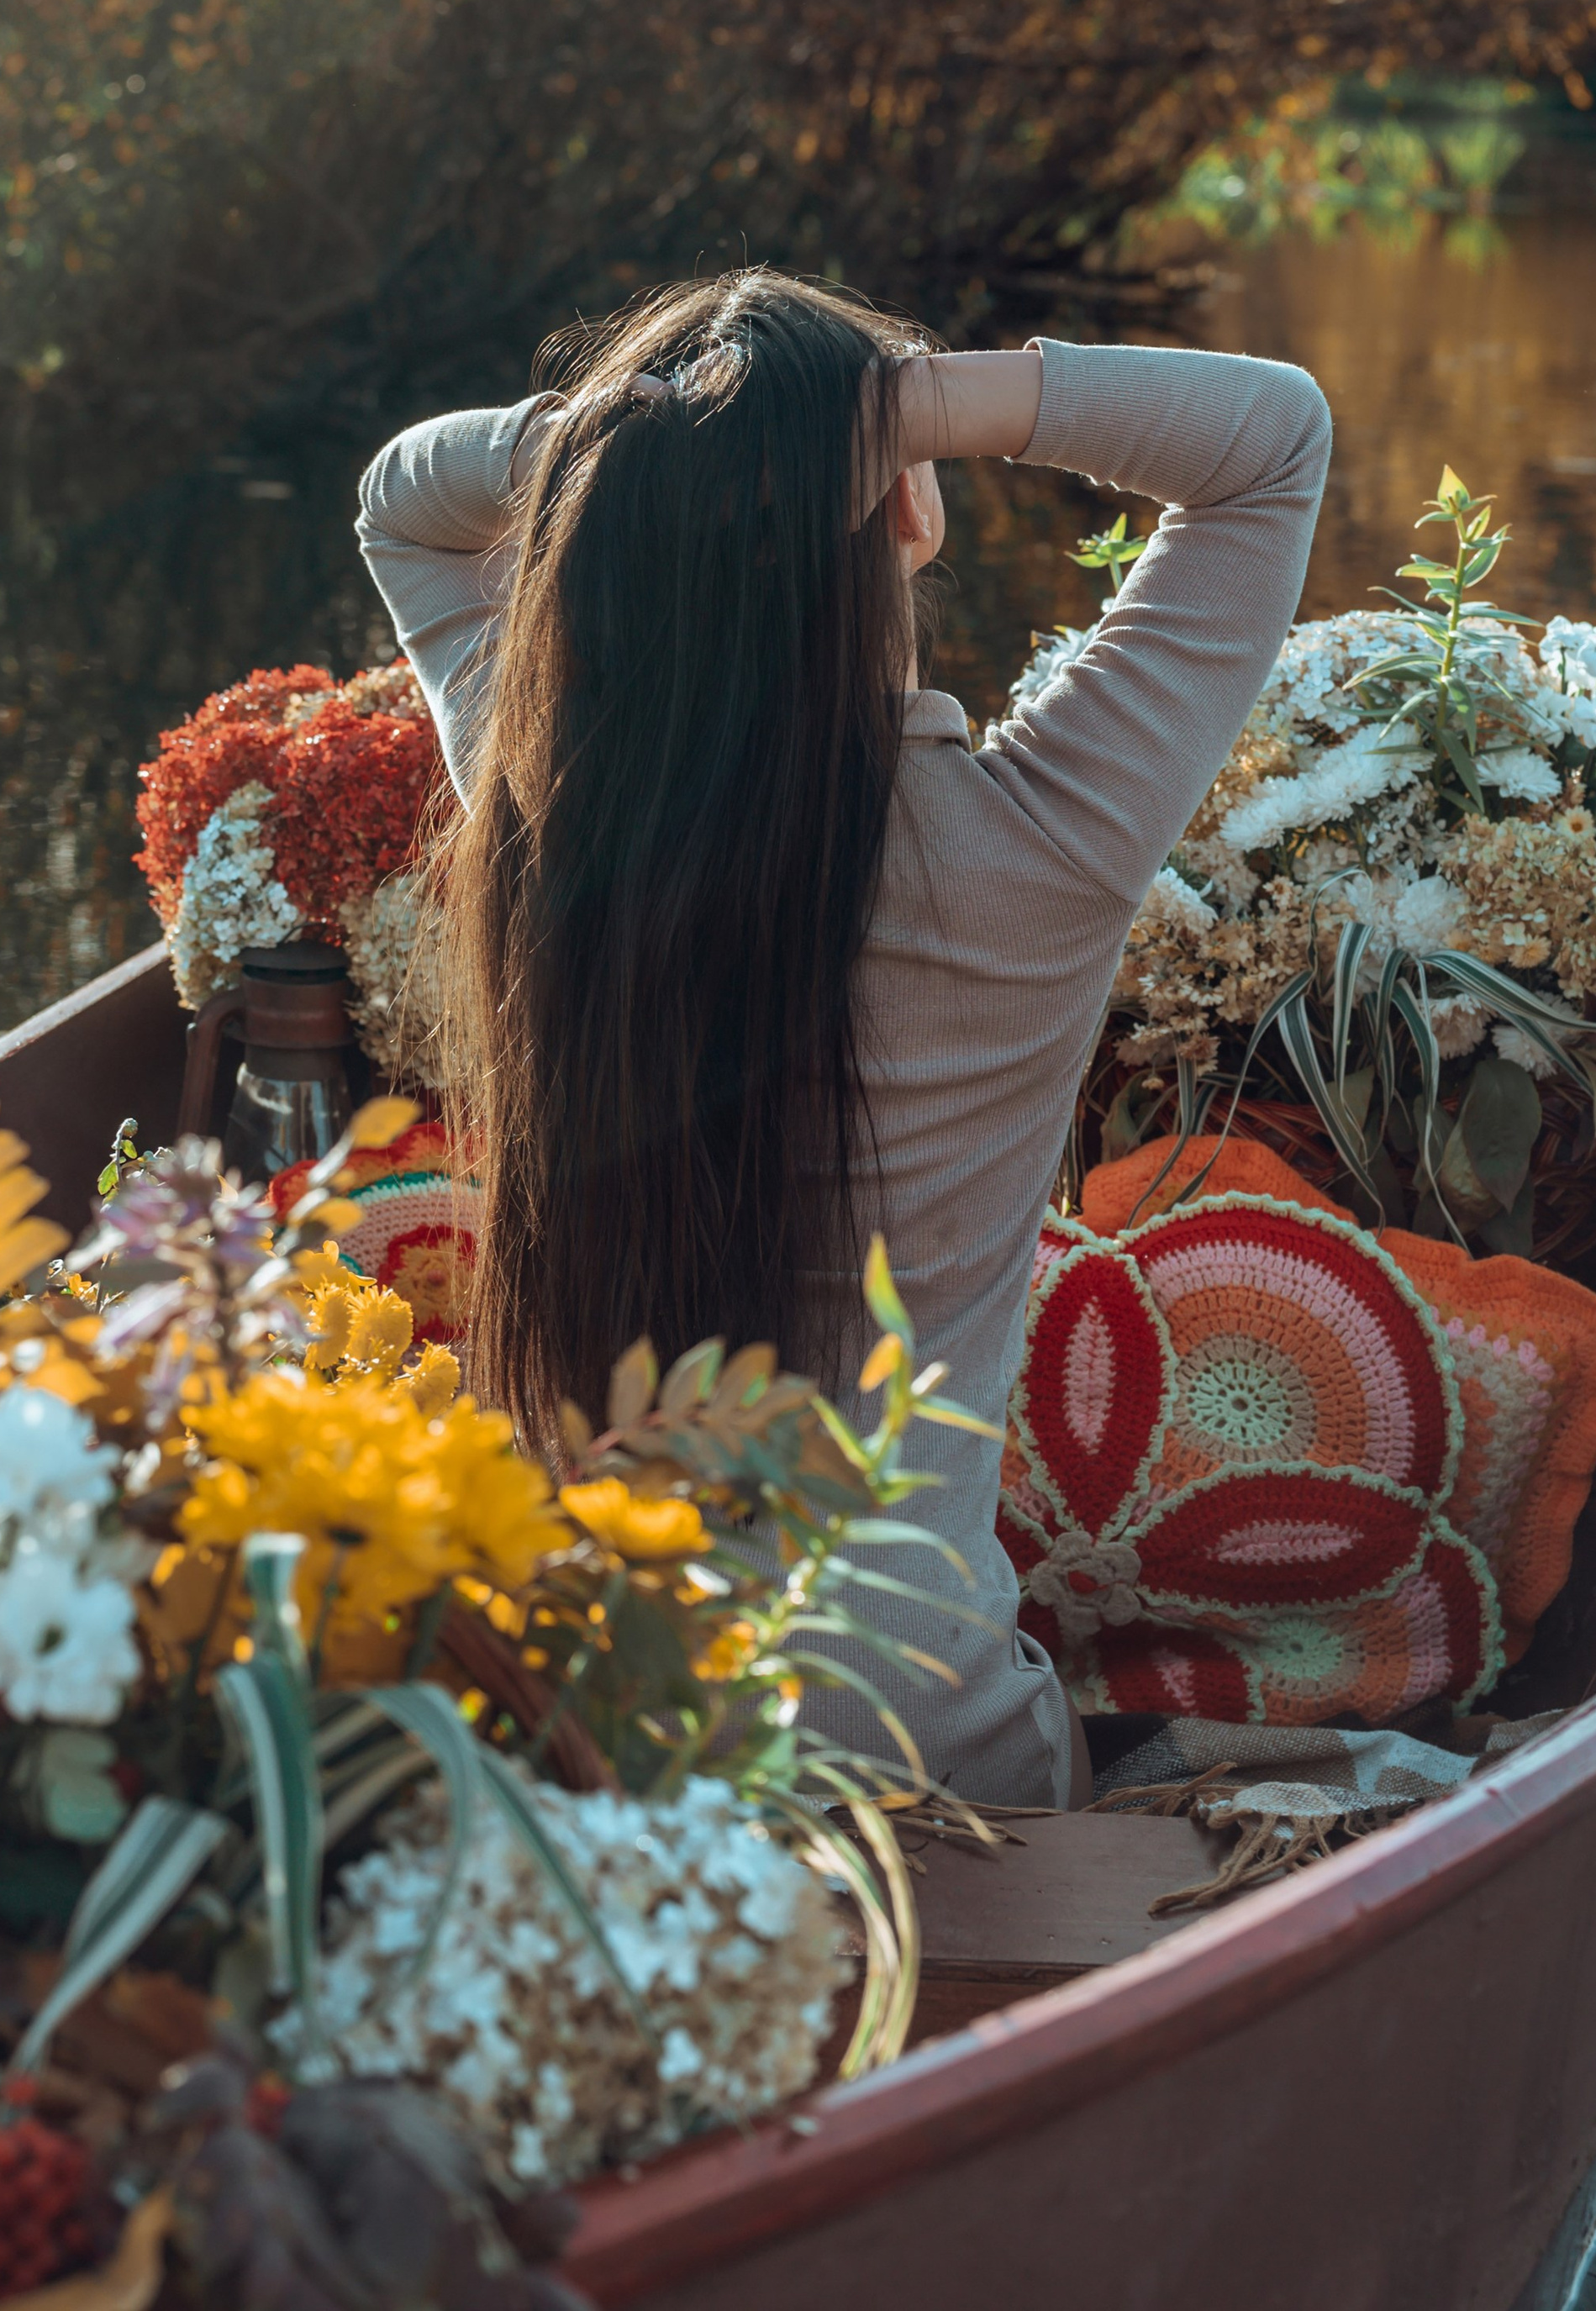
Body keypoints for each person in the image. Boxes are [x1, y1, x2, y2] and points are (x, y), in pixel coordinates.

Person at [356, 268, 1331, 1808]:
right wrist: (899, 405)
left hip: (572, 1728)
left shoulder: (550, 829)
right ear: (910, 513)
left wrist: (649, 441)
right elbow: (1272, 439)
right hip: (911, 1748)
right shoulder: (1040, 852)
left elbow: (401, 501)